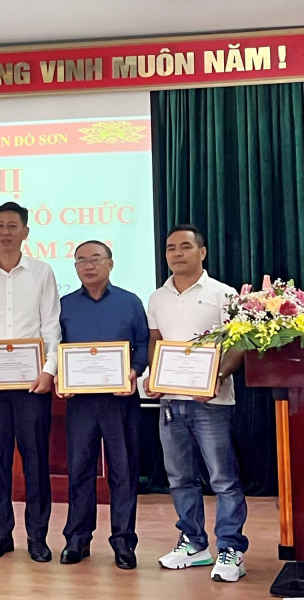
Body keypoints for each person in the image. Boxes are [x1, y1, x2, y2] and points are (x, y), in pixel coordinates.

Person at [145, 224, 247, 583]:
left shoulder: (223, 294)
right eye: (171, 247)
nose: (177, 253)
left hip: (212, 402)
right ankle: (194, 543)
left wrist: (217, 377)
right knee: (179, 478)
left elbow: (239, 343)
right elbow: (156, 341)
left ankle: (231, 549)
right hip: (171, 402)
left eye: (185, 246)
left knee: (223, 479)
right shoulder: (157, 297)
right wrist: (152, 376)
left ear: (201, 252)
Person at [0, 201, 61, 563]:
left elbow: (50, 325)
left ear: (25, 231)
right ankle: (0, 534)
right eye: (0, 226)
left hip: (33, 385)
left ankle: (37, 537)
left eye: (12, 225)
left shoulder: (42, 272)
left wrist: (49, 369)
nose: (6, 232)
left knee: (36, 463)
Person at [57, 240, 149, 569]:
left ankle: (123, 542)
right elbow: (55, 347)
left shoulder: (130, 302)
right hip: (80, 402)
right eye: (81, 260)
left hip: (119, 401)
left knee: (123, 471)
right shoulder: (64, 305)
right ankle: (77, 540)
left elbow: (143, 344)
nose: (88, 266)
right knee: (80, 470)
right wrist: (61, 376)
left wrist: (135, 370)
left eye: (95, 259)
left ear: (110, 264)